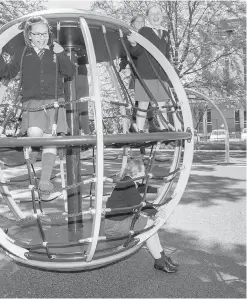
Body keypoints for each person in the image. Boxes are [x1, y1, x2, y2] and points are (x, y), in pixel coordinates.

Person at [0, 16, 75, 199]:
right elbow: (7, 72)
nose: (41, 37)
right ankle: (30, 149)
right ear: (29, 35)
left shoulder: (55, 52)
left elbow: (70, 72)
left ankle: (45, 182)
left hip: (54, 102)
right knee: (34, 133)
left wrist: (62, 53)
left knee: (50, 141)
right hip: (32, 102)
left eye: (45, 33)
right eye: (37, 34)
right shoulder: (22, 52)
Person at [104, 158, 179, 273]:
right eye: (143, 171)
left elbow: (142, 188)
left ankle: (161, 257)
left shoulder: (128, 181)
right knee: (149, 224)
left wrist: (156, 189)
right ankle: (159, 261)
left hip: (120, 221)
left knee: (151, 226)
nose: (144, 174)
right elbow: (139, 204)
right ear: (136, 172)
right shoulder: (127, 185)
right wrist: (156, 211)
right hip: (115, 226)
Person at [127, 4, 173, 133]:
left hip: (161, 74)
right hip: (146, 72)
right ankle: (139, 129)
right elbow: (136, 52)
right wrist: (133, 44)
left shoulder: (165, 33)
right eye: (152, 14)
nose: (155, 16)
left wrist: (168, 72)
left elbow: (167, 54)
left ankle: (164, 127)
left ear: (162, 16)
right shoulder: (144, 31)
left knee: (162, 102)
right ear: (147, 17)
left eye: (158, 13)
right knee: (143, 101)